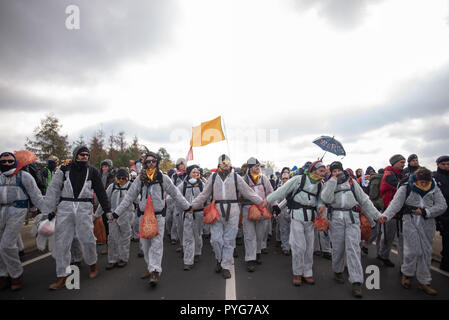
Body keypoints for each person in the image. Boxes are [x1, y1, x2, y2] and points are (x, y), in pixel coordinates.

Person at [112, 152, 191, 286]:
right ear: (145, 163)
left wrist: (187, 207)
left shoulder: (163, 178)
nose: (150, 164)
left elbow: (176, 194)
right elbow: (129, 197)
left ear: (157, 163)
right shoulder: (139, 179)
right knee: (145, 245)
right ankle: (150, 268)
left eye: (153, 161)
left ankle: (155, 270)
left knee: (156, 244)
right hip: (143, 216)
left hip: (158, 216)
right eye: (148, 162)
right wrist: (116, 213)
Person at [44, 146, 112, 290]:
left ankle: (93, 265)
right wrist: (49, 209)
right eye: (81, 154)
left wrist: (107, 211)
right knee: (62, 242)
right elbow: (53, 189)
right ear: (76, 155)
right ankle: (61, 275)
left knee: (88, 239)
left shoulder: (92, 171)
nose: (84, 157)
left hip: (84, 208)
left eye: (87, 155)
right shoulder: (64, 169)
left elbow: (100, 191)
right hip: (65, 208)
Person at [188, 155, 264, 279]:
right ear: (219, 164)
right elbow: (204, 195)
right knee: (216, 240)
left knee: (229, 241)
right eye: (223, 162)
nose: (225, 164)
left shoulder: (236, 177)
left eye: (227, 162)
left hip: (233, 212)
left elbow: (248, 192)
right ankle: (219, 259)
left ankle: (226, 266)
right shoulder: (213, 178)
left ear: (230, 164)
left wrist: (262, 203)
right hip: (216, 213)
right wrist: (192, 205)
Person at [379, 167, 447, 295]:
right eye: (422, 182)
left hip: (427, 222)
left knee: (426, 252)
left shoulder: (434, 187)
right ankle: (407, 274)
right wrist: (385, 216)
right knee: (412, 250)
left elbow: (442, 205)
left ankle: (424, 281)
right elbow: (395, 204)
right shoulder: (406, 186)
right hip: (410, 220)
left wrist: (427, 212)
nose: (424, 184)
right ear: (417, 179)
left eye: (426, 182)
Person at [321, 161, 382, 298]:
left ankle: (356, 282)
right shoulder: (329, 183)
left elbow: (364, 200)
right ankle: (337, 271)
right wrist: (332, 183)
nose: (336, 173)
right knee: (338, 247)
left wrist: (377, 216)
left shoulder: (352, 183)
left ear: (343, 171)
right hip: (336, 219)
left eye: (338, 171)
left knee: (353, 248)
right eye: (334, 171)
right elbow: (325, 198)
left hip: (352, 219)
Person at [263, 161, 327, 287]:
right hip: (297, 216)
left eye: (324, 171)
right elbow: (282, 190)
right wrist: (268, 200)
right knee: (299, 246)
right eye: (321, 171)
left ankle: (307, 273)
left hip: (310, 218)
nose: (323, 173)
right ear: (313, 170)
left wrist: (320, 206)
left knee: (309, 247)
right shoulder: (298, 179)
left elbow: (320, 199)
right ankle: (297, 273)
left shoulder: (320, 185)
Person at [0, 152, 47, 291]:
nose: (7, 163)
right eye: (3, 161)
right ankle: (3, 274)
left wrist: (46, 210)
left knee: (7, 244)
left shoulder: (24, 176)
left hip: (17, 211)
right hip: (1, 211)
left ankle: (16, 274)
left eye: (10, 161)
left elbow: (36, 195)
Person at [240, 157, 279, 272]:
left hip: (262, 209)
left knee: (260, 233)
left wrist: (275, 205)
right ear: (250, 167)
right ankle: (250, 259)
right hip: (248, 209)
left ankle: (258, 253)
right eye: (256, 166)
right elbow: (238, 195)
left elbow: (271, 193)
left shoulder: (264, 179)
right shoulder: (243, 180)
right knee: (249, 235)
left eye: (258, 166)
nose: (258, 168)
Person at [95, 169, 132, 270]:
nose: (120, 180)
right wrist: (97, 214)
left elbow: (137, 199)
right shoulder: (112, 187)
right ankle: (112, 260)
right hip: (112, 216)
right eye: (119, 178)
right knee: (112, 238)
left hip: (126, 216)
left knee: (125, 238)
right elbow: (104, 201)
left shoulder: (130, 187)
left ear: (127, 178)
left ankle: (123, 258)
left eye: (123, 178)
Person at [378, 154, 406, 268]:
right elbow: (399, 187)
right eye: (401, 162)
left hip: (399, 210)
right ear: (394, 163)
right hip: (390, 209)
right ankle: (383, 256)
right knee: (388, 236)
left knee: (399, 236)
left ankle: (404, 263)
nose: (403, 164)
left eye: (404, 162)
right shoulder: (389, 175)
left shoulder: (400, 175)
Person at [179, 165, 205, 270]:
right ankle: (188, 260)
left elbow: (208, 196)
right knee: (188, 236)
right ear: (188, 173)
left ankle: (197, 252)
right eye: (193, 172)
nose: (195, 174)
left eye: (197, 172)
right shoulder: (182, 185)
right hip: (187, 214)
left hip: (199, 214)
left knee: (197, 234)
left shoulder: (202, 185)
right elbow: (175, 196)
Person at [434, 155, 449, 272]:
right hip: (441, 213)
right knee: (446, 238)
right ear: (438, 164)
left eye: (448, 164)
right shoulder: (434, 177)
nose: (446, 166)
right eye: (443, 164)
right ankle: (445, 262)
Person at [99, 159, 115, 255]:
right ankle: (108, 246)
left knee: (111, 227)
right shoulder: (100, 176)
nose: (104, 168)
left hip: (111, 205)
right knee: (106, 226)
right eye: (103, 166)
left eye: (106, 166)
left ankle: (113, 247)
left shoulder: (113, 177)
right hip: (103, 204)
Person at [171, 158, 188, 253]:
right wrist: (171, 205)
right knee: (179, 226)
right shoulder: (175, 176)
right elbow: (171, 189)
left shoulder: (189, 174)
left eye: (184, 163)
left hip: (188, 202)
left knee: (188, 226)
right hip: (178, 204)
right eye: (181, 164)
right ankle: (182, 244)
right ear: (178, 165)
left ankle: (189, 246)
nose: (183, 165)